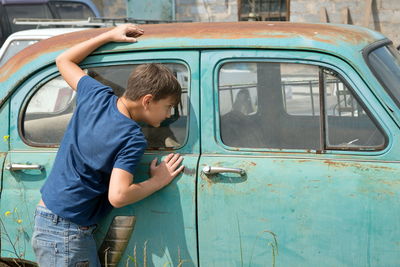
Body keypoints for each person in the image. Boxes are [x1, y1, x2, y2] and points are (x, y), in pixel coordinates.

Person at [31, 24, 185, 267]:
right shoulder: (131, 137)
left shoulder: (96, 95)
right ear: (147, 100)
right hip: (69, 235)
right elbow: (119, 195)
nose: (169, 115)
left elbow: (63, 60)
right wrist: (158, 180)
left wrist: (109, 35)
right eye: (168, 106)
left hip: (49, 219)